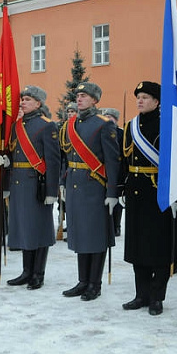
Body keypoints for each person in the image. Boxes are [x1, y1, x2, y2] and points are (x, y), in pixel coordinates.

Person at [60, 82, 120, 301]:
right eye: (78, 95)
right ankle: (82, 281)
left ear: (95, 100)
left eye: (84, 96)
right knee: (80, 234)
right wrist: (62, 182)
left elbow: (113, 161)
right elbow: (66, 158)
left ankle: (95, 283)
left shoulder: (103, 125)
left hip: (94, 185)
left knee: (94, 236)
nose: (79, 99)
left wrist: (112, 192)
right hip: (75, 184)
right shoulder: (71, 124)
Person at [119, 81, 174, 315]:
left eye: (145, 97)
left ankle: (157, 296)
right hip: (136, 191)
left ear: (157, 101)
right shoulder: (131, 126)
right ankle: (140, 294)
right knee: (137, 246)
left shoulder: (168, 125)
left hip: (158, 192)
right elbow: (125, 160)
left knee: (158, 247)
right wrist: (121, 188)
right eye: (138, 97)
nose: (140, 101)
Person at [6, 86, 61, 289]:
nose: (22, 102)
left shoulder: (46, 125)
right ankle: (26, 271)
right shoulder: (17, 125)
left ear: (38, 103)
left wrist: (51, 191)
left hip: (36, 183)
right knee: (23, 228)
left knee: (38, 228)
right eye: (22, 99)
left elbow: (53, 161)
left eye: (27, 99)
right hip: (18, 182)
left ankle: (38, 273)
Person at [102, 107, 124, 237]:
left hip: (118, 169)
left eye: (110, 117)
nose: (108, 119)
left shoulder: (120, 133)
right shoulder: (102, 131)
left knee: (117, 201)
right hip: (104, 169)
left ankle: (116, 225)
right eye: (106, 116)